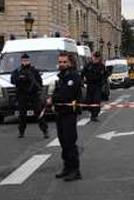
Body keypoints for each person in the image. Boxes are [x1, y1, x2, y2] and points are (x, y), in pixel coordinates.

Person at [47, 51, 82, 181]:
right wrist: (52, 99)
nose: (61, 64)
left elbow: (66, 94)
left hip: (69, 113)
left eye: (64, 62)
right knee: (63, 142)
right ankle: (67, 168)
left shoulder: (73, 77)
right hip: (60, 113)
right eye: (60, 62)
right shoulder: (62, 77)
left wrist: (52, 99)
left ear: (70, 63)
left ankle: (75, 170)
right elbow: (58, 92)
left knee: (70, 142)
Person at [10, 53, 49, 139]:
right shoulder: (18, 71)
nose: (25, 62)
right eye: (24, 60)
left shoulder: (33, 70)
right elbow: (12, 80)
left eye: (26, 60)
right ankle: (21, 131)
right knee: (22, 114)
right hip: (22, 94)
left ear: (29, 61)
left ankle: (45, 130)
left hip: (33, 94)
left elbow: (40, 82)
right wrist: (20, 79)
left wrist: (35, 87)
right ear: (21, 61)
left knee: (39, 112)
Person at [81, 51, 107, 121]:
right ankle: (91, 111)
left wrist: (103, 82)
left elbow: (105, 75)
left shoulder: (101, 66)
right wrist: (82, 82)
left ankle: (94, 115)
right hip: (89, 85)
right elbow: (82, 73)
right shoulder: (88, 65)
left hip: (98, 86)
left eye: (97, 58)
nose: (95, 59)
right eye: (94, 57)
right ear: (92, 58)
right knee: (88, 101)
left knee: (96, 101)